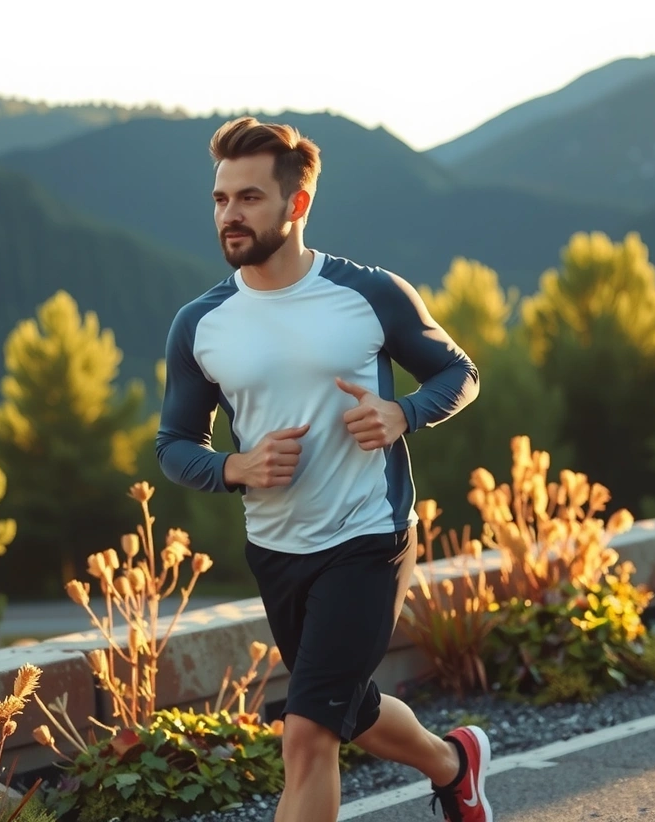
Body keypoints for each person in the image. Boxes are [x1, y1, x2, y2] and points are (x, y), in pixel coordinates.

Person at [155, 116, 492, 822]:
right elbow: (175, 445)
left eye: (248, 198)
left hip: (367, 538)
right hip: (277, 549)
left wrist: (404, 413)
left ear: (296, 204)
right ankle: (454, 763)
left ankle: (451, 764)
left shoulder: (370, 294)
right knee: (349, 706)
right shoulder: (201, 323)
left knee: (307, 736)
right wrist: (235, 466)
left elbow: (458, 375)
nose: (230, 214)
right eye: (221, 199)